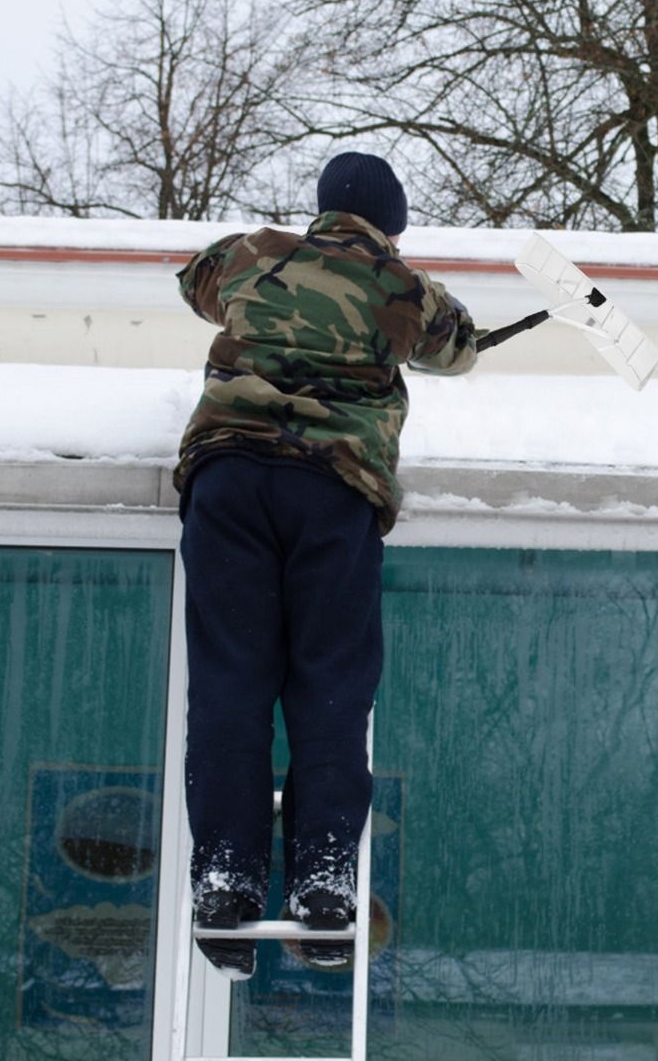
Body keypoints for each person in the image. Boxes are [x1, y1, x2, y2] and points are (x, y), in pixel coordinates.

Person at [174, 152, 478, 978]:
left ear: (320, 210)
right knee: (331, 690)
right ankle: (322, 883)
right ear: (392, 223)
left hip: (229, 479)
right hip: (332, 489)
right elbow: (458, 349)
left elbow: (193, 282)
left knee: (231, 680)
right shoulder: (400, 287)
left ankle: (228, 881)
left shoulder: (252, 254)